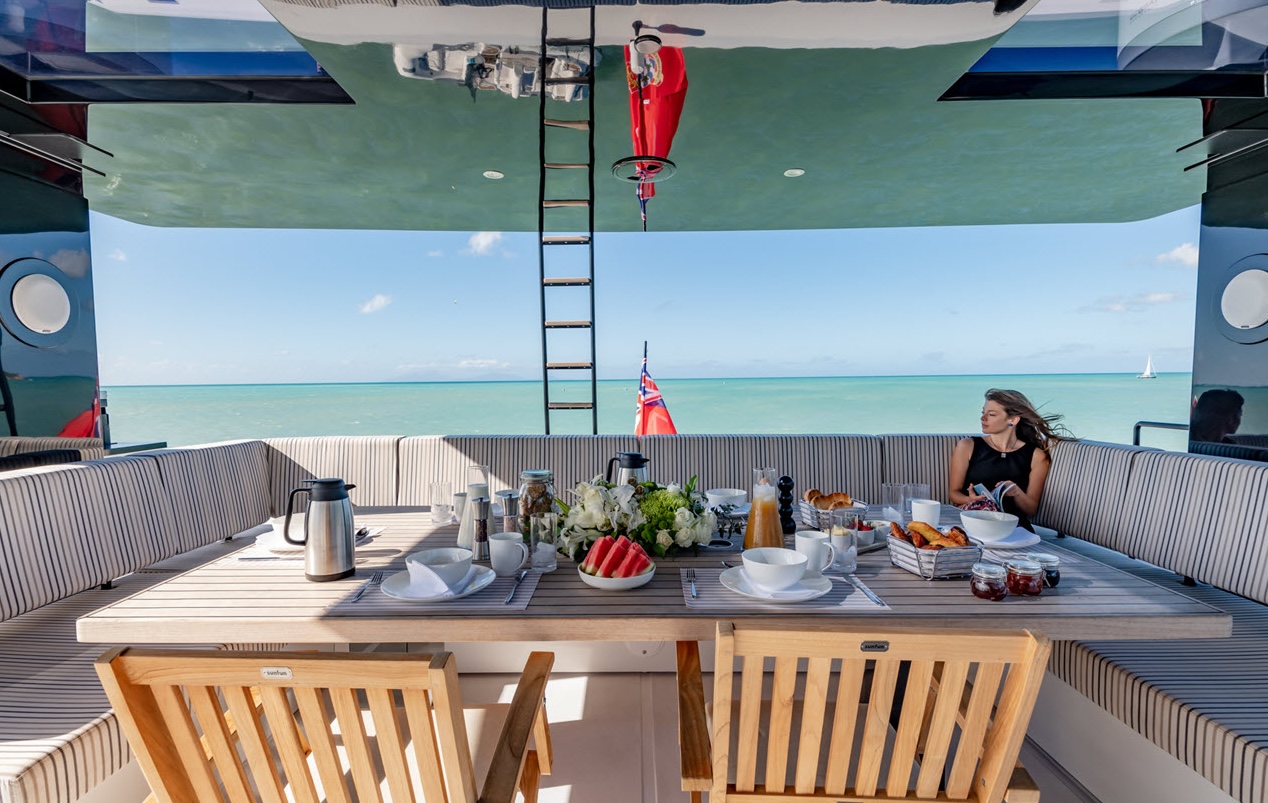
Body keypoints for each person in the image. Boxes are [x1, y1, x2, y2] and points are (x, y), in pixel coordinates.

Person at [949, 389, 1070, 532]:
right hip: (973, 521)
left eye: (991, 414)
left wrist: (1016, 492)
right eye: (983, 412)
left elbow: (1031, 509)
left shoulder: (1036, 456)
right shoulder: (967, 446)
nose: (983, 418)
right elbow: (954, 493)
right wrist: (970, 500)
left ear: (1013, 420)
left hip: (1012, 527)